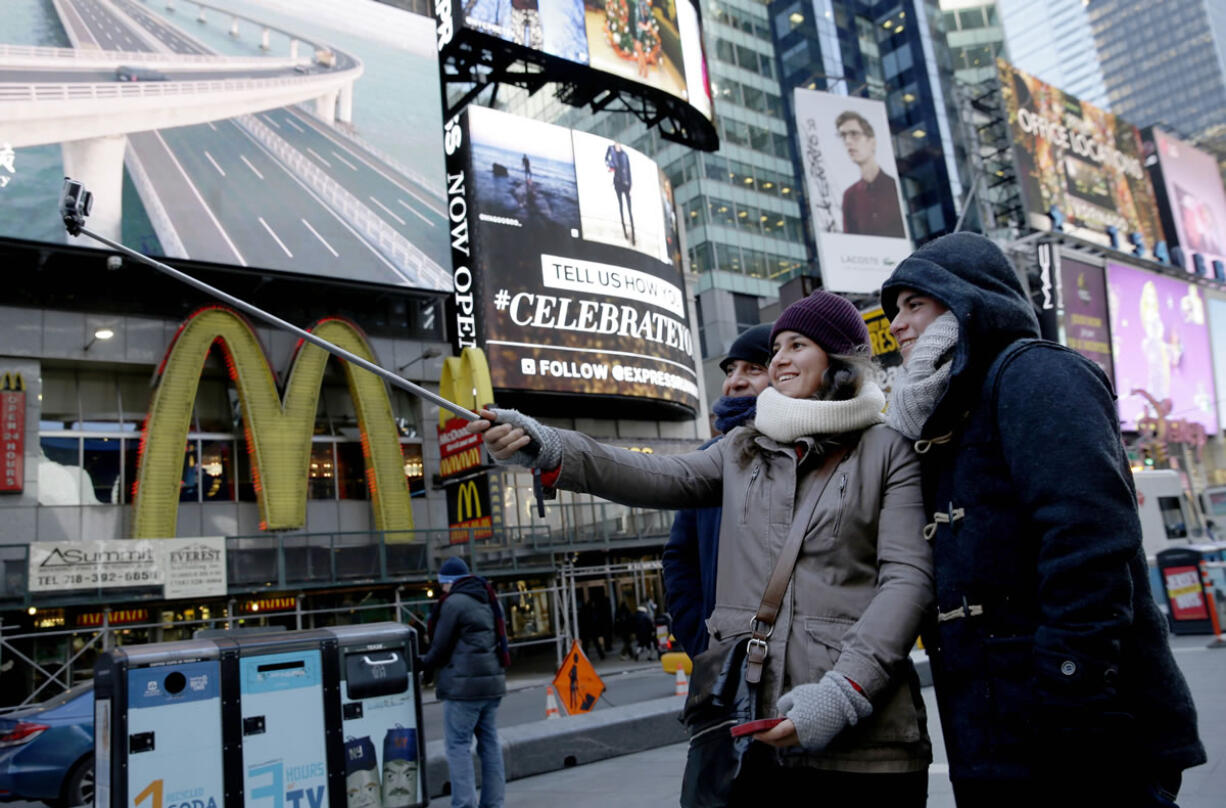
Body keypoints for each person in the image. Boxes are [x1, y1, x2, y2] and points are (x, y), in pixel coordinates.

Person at [469, 291, 933, 802]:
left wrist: (844, 693)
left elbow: (907, 582)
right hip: (749, 732)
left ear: (838, 359)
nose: (779, 359)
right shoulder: (742, 447)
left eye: (797, 345)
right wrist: (551, 446)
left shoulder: (890, 450)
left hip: (863, 749)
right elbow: (652, 473)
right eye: (776, 347)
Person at [879, 232, 1206, 806]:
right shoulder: (941, 415)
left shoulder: (1035, 373)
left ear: (966, 300)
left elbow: (1089, 538)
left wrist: (1070, 684)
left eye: (915, 304)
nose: (897, 325)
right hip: (992, 730)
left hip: (1081, 721)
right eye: (893, 310)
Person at [663, 322, 773, 658]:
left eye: (753, 368)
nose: (734, 381)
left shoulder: (815, 451)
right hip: (726, 660)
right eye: (730, 369)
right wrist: (704, 640)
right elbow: (679, 559)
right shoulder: (712, 457)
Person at [420, 557, 510, 808]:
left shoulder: (454, 603)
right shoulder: (489, 598)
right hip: (492, 684)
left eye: (442, 585)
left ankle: (464, 804)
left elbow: (440, 647)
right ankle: (493, 803)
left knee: (458, 746)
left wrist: (422, 663)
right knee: (490, 744)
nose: (442, 590)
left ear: (449, 582)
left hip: (463, 688)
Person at [836, 110, 906, 238]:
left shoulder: (894, 187)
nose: (848, 141)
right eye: (843, 136)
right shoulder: (849, 196)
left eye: (854, 134)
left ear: (872, 141)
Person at [604, 143, 635, 245]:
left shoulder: (625, 155)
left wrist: (630, 185)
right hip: (618, 183)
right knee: (621, 206)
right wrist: (610, 166)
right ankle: (625, 232)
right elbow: (606, 160)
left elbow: (629, 171)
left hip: (626, 183)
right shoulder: (611, 149)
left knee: (629, 209)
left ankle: (632, 233)